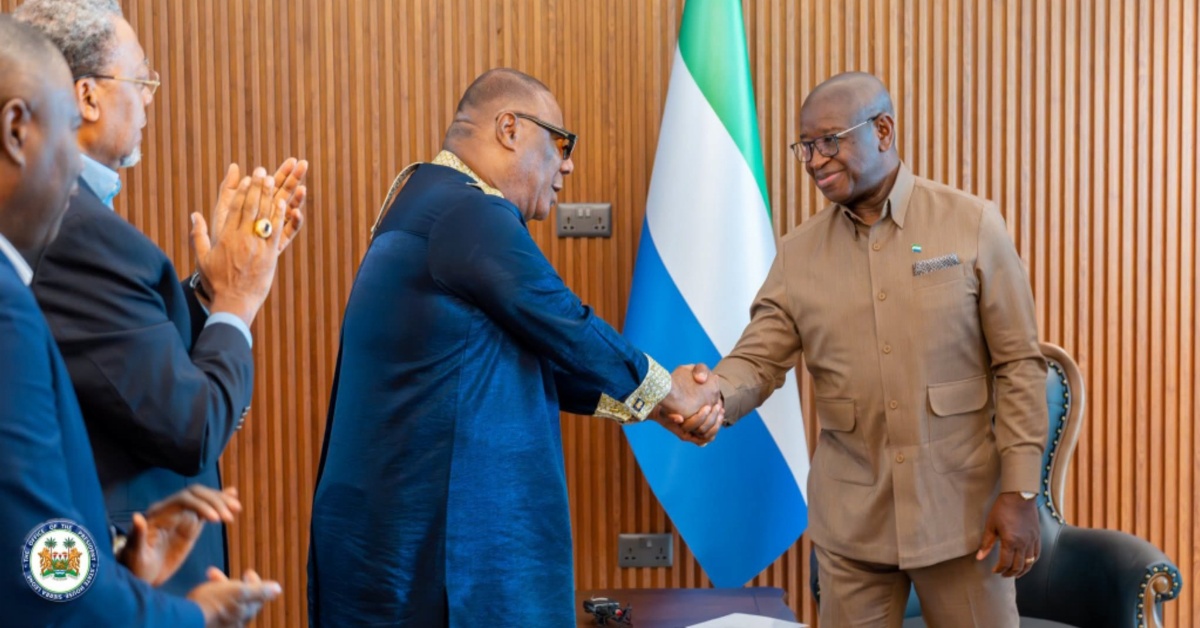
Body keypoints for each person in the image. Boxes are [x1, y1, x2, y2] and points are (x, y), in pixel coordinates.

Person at [307, 68, 720, 627]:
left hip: (393, 543)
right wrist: (669, 392)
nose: (568, 164)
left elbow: (529, 357)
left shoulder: (427, 201)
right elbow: (562, 320)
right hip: (442, 554)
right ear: (508, 128)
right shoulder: (468, 211)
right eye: (560, 143)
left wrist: (650, 406)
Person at [693, 72, 1048, 626]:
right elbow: (758, 359)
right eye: (805, 146)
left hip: (962, 520)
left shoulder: (972, 223)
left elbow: (1019, 364)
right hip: (853, 529)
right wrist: (711, 394)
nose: (813, 159)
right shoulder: (798, 253)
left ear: (883, 130)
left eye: (829, 140)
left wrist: (1022, 492)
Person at [14, 0, 308, 595]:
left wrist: (207, 293)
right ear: (87, 97)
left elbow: (129, 374)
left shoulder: (84, 223)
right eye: (142, 79)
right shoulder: (77, 230)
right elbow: (190, 424)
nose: (150, 98)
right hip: (115, 570)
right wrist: (239, 298)